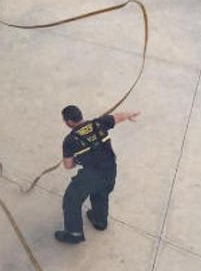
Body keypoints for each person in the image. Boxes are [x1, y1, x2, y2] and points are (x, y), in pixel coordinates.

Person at [54, 105, 140, 244]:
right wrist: (129, 115)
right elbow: (118, 117)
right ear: (80, 115)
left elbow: (68, 166)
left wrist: (76, 159)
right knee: (101, 194)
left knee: (71, 200)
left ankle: (73, 233)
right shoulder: (99, 123)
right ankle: (100, 221)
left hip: (91, 175)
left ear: (68, 122)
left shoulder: (69, 141)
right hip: (110, 170)